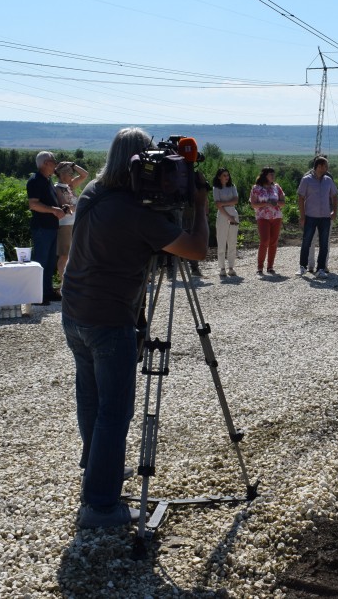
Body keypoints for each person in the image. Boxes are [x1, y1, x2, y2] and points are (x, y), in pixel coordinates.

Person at [61, 127, 209, 529]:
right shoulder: (136, 214)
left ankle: (97, 474)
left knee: (91, 401)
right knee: (115, 411)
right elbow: (197, 250)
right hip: (110, 320)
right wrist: (198, 199)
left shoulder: (94, 190)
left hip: (74, 312)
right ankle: (102, 507)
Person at [27, 151, 67, 304]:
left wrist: (61, 207)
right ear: (45, 163)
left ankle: (47, 291)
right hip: (42, 228)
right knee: (41, 262)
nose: (55, 164)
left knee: (50, 262)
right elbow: (33, 204)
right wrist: (53, 210)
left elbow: (51, 200)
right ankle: (38, 295)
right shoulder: (35, 180)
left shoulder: (47, 180)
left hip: (51, 227)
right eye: (53, 161)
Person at [297, 156, 338, 278]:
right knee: (307, 242)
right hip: (310, 216)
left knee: (324, 243)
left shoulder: (328, 180)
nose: (326, 169)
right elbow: (301, 198)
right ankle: (302, 267)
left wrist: (334, 211)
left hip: (325, 216)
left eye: (326, 166)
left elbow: (334, 196)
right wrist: (302, 216)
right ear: (318, 166)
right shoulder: (306, 180)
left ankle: (320, 268)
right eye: (324, 166)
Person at [54, 160, 88, 284]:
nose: (72, 176)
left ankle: (71, 279)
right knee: (64, 255)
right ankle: (63, 282)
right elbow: (66, 208)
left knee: (74, 253)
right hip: (64, 225)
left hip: (75, 223)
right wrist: (80, 205)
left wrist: (73, 164)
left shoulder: (70, 186)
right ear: (62, 175)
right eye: (69, 173)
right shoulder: (57, 189)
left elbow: (85, 175)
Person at [249, 167, 285, 275]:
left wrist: (277, 202)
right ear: (265, 175)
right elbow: (253, 204)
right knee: (264, 241)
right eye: (271, 175)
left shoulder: (277, 187)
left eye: (274, 175)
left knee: (273, 242)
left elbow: (283, 202)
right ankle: (260, 267)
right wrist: (265, 203)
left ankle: (270, 267)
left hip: (276, 217)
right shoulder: (256, 188)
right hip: (262, 217)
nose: (273, 177)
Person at [212, 167, 240, 277]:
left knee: (232, 241)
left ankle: (231, 267)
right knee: (222, 241)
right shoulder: (216, 188)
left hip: (233, 212)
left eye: (227, 175)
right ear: (219, 177)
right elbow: (218, 205)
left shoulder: (232, 186)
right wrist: (229, 216)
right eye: (224, 175)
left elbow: (236, 200)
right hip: (223, 215)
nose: (226, 177)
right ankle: (222, 267)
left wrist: (223, 203)